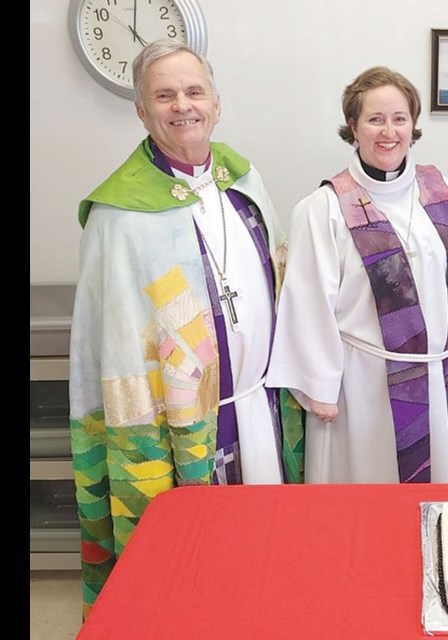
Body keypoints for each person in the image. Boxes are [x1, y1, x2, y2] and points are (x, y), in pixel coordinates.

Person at [69, 41, 303, 617]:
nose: (183, 106)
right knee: (197, 578)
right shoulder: (119, 215)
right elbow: (119, 343)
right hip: (182, 426)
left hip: (258, 403)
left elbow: (277, 273)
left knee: (266, 559)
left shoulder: (242, 178)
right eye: (164, 95)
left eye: (194, 91)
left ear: (216, 104)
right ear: (142, 112)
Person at [266, 66, 448, 483]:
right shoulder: (325, 208)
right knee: (368, 502)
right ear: (353, 127)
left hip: (437, 372)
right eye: (375, 119)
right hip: (363, 387)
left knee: (435, 504)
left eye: (399, 119)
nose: (388, 132)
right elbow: (308, 301)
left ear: (413, 125)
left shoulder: (444, 192)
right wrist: (319, 386)